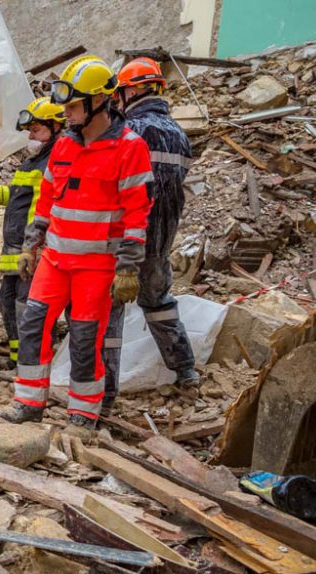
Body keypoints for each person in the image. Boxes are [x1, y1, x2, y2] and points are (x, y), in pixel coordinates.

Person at [1, 56, 153, 437]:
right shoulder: (65, 146)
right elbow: (46, 201)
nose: (66, 113)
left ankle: (83, 412)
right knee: (33, 325)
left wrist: (128, 267)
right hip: (54, 259)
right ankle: (28, 402)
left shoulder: (129, 148)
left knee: (86, 338)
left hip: (96, 265)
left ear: (98, 103)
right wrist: (31, 246)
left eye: (72, 105)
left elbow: (138, 213)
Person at [101, 57, 198, 414]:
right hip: (160, 240)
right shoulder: (179, 134)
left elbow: (118, 187)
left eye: (121, 91)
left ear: (135, 89)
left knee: (109, 315)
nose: (117, 99)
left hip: (126, 238)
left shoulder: (129, 130)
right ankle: (185, 369)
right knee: (159, 305)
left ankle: (105, 395)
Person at [0, 97, 65, 368]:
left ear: (56, 127)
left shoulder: (54, 163)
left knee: (28, 306)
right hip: (14, 249)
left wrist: (37, 247)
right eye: (30, 131)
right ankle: (17, 360)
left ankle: (33, 364)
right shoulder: (31, 163)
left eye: (36, 130)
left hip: (33, 249)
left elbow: (50, 208)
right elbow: (17, 199)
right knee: (8, 303)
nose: (30, 137)